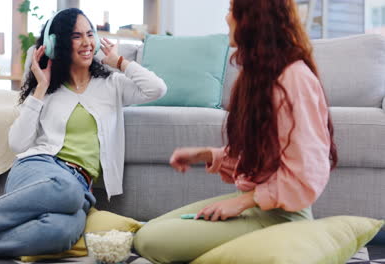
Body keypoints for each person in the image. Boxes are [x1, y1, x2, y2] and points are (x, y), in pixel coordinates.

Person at [0, 8, 166, 257]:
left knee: (63, 234)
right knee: (67, 191)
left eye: (90, 34)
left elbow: (156, 89)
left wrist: (120, 62)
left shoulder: (112, 85)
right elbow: (17, 142)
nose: (87, 42)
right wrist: (40, 88)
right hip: (39, 168)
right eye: (76, 36)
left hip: (79, 185)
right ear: (57, 44)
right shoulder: (48, 90)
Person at [133, 0, 337, 263]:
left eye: (232, 11)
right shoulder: (259, 76)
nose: (227, 18)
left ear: (253, 18)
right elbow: (262, 154)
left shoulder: (294, 78)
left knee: (151, 242)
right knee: (149, 230)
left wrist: (242, 203)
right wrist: (208, 155)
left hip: (283, 217)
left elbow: (307, 170)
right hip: (260, 207)